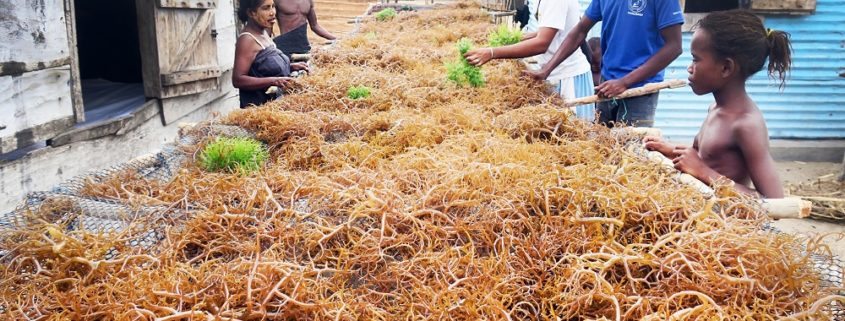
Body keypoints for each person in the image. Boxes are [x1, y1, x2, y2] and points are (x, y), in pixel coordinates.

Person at [644, 10, 791, 198]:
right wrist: (671, 149)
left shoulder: (746, 124)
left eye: (696, 59)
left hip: (725, 222)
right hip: (700, 214)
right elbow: (703, 157)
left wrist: (705, 172)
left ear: (726, 68)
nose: (689, 68)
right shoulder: (714, 109)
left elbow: (774, 200)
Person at [526, 0, 684, 128]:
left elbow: (674, 47)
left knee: (632, 154)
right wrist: (546, 70)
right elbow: (580, 31)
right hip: (607, 86)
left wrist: (625, 82)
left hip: (641, 91)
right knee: (602, 151)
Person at [464, 0, 594, 120]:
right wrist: (517, 38)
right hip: (556, 74)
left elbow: (542, 43)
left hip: (568, 77)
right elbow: (549, 30)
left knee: (575, 133)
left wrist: (492, 52)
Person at [233, 0, 309, 108]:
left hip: (275, 106)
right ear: (251, 13)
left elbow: (262, 68)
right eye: (266, 8)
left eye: (273, 7)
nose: (272, 12)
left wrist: (290, 67)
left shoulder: (264, 32)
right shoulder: (247, 40)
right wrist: (274, 81)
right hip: (259, 111)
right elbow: (238, 80)